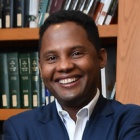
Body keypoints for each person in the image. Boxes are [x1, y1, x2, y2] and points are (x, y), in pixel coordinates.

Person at [3, 10, 140, 140]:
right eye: (51, 58)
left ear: (101, 58)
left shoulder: (130, 120)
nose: (64, 66)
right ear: (40, 67)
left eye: (76, 53)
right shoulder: (20, 128)